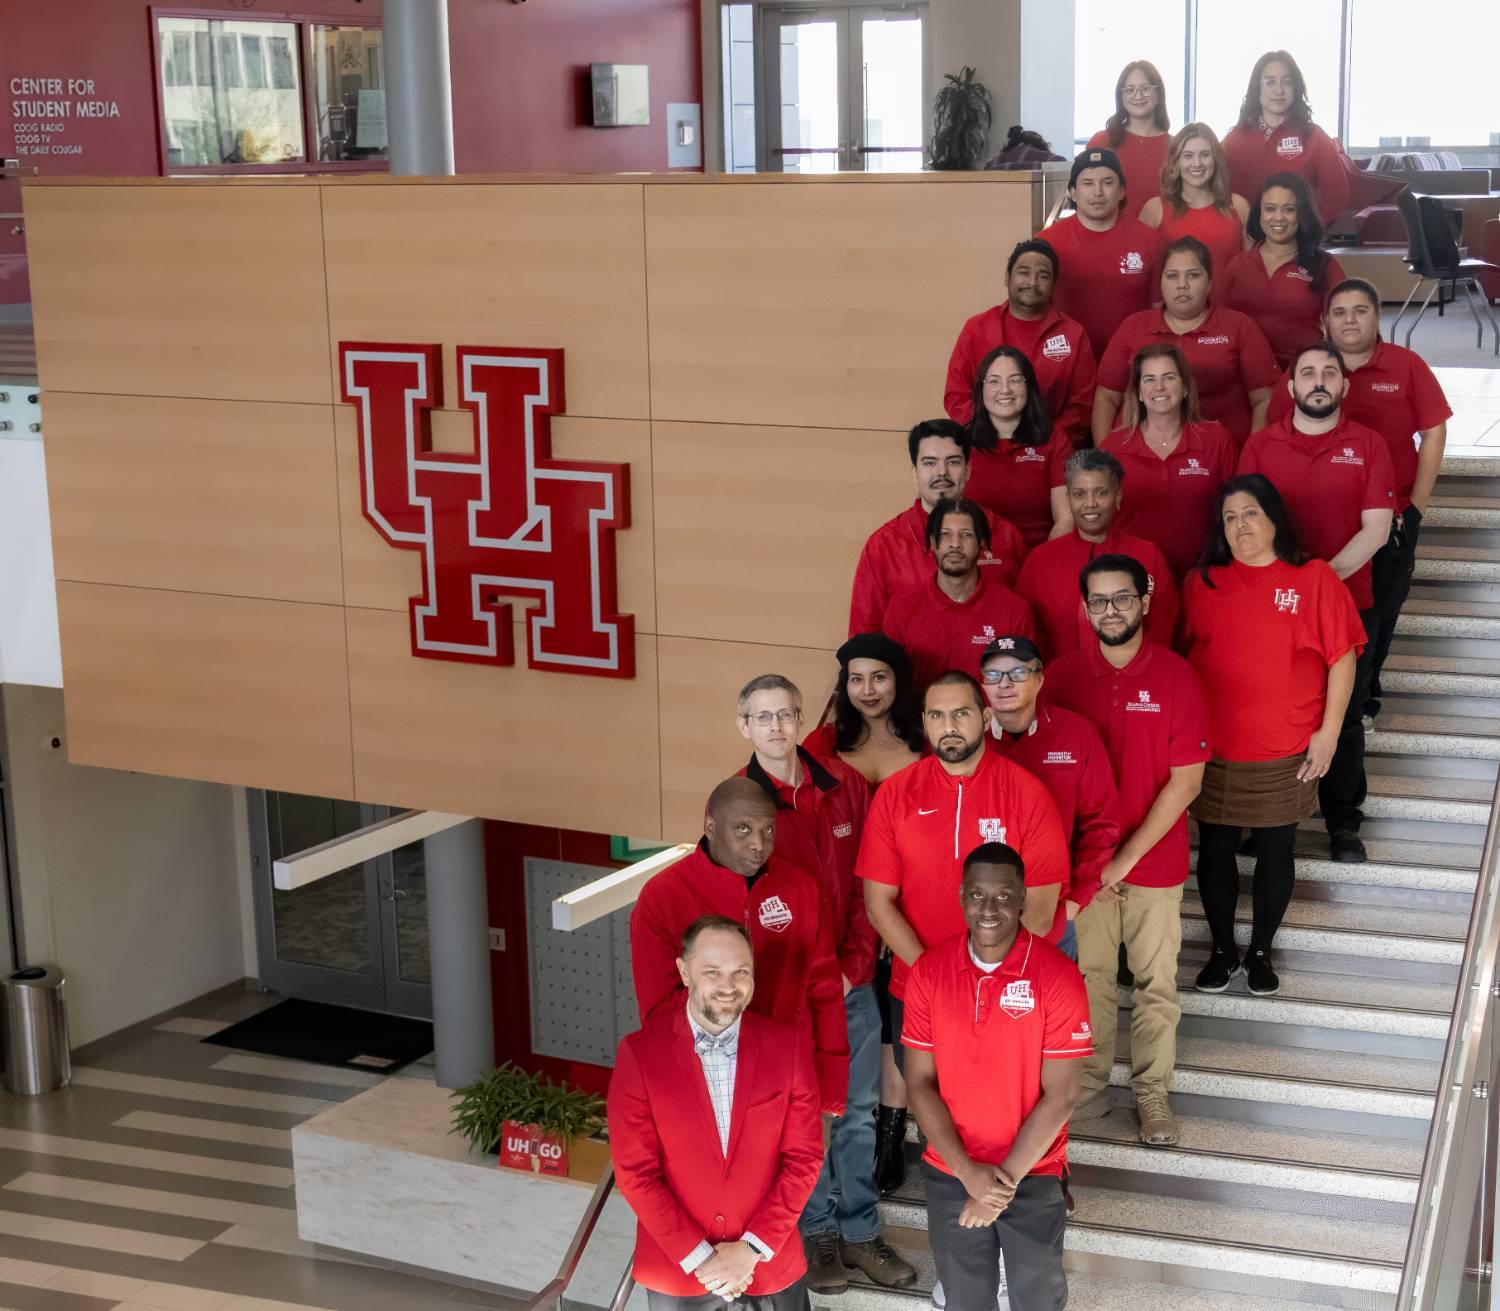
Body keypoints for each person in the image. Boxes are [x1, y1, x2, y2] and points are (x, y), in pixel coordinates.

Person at [731, 675, 915, 1294]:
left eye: (785, 714)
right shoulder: (737, 805)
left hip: (850, 985)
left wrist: (854, 964)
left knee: (860, 1112)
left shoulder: (845, 787)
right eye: (763, 717)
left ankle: (860, 1232)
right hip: (784, 999)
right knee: (806, 1120)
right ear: (744, 726)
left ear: (801, 719)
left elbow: (870, 882)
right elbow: (736, 908)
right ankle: (818, 1233)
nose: (776, 727)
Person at [1044, 555, 1210, 1146]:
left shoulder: (1177, 677)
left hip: (1154, 864)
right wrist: (1093, 867)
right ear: (1084, 608)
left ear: (1144, 602)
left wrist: (1122, 862)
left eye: (1122, 598)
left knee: (1155, 983)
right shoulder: (1060, 678)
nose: (1110, 610)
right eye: (1099, 600)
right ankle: (1089, 1085)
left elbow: (1185, 784)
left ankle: (1152, 1092)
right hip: (1083, 867)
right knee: (1089, 979)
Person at [1181, 478, 1364, 997]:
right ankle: (1222, 950)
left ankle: (1260, 951)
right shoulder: (1201, 582)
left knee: (1277, 847)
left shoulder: (1314, 577)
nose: (1240, 524)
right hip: (1215, 749)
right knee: (1215, 847)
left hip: (1287, 748)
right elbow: (1183, 657)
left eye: (1250, 513)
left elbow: (1343, 657)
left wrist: (1329, 734)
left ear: (1274, 518)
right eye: (1229, 517)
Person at [902, 846, 1091, 1311]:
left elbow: (1063, 1094)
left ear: (1024, 898)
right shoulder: (929, 973)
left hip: (1033, 1170)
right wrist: (970, 1176)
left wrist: (997, 1188)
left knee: (1037, 1300)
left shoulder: (1058, 976)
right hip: (952, 1170)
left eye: (1004, 896)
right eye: (977, 895)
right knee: (965, 1300)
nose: (989, 908)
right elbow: (919, 1084)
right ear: (961, 896)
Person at [609, 916, 824, 1311]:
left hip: (769, 1266)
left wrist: (751, 1249)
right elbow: (635, 1173)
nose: (729, 985)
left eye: (741, 971)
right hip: (680, 1273)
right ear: (684, 972)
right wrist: (704, 1260)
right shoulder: (639, 1055)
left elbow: (804, 1159)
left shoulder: (789, 1048)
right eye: (713, 971)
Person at [1267, 278, 1451, 725]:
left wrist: (1417, 504)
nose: (1349, 320)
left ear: (1377, 317)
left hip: (1390, 516)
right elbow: (1275, 432)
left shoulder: (1406, 365)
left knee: (1381, 610)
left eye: (1360, 310)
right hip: (1322, 515)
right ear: (1324, 323)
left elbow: (1434, 432)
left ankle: (1366, 690)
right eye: (1340, 312)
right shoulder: (1308, 371)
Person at [1238, 342, 1394, 862]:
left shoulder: (1369, 444)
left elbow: (1376, 530)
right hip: (1270, 605)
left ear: (1345, 385)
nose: (1319, 380)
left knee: (1343, 716)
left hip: (1350, 601)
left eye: (1329, 372)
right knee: (1268, 709)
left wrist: (1318, 582)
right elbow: (1245, 524)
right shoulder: (1260, 446)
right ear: (1291, 387)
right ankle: (1260, 818)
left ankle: (1343, 824)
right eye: (1308, 373)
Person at [861, 672, 1071, 1049]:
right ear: (924, 722)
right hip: (919, 986)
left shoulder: (1028, 794)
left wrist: (983, 979)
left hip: (1005, 991)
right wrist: (938, 979)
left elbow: (1039, 913)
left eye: (961, 714)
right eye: (937, 716)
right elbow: (879, 904)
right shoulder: (894, 794)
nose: (949, 727)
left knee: (1000, 1088)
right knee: (921, 1085)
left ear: (986, 719)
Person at [630, 777, 849, 1111]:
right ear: (711, 828)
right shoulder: (662, 896)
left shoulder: (801, 888)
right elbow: (657, 1014)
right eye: (743, 829)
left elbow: (826, 993)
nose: (759, 844)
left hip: (789, 1081)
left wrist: (829, 1099)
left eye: (768, 830)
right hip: (702, 1086)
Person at [980, 635, 1122, 963]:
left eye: (1018, 673)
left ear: (1040, 679)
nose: (1004, 684)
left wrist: (1074, 902)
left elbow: (1102, 824)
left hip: (1053, 912)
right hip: (979, 912)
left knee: (1052, 996)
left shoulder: (1076, 734)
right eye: (993, 675)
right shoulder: (969, 739)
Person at [1093, 235, 1278, 449]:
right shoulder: (1133, 326)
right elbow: (1107, 397)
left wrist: (1252, 456)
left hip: (1222, 453)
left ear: (1210, 283)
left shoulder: (1240, 327)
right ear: (1160, 282)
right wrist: (1104, 459)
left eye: (1193, 275)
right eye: (1172, 276)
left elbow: (1264, 399)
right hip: (1138, 454)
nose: (1182, 285)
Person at [849, 420, 1027, 635]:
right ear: (915, 472)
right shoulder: (884, 546)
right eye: (930, 463)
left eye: (953, 462)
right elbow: (864, 640)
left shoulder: (1005, 536)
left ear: (968, 470)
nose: (942, 473)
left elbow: (1023, 627)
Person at [1015, 449, 1178, 658]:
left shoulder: (1147, 554)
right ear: (1068, 499)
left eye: (1101, 493)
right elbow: (1026, 636)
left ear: (1118, 496)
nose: (1090, 503)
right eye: (1079, 494)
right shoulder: (1040, 561)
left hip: (1137, 675)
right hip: (1061, 675)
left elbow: (1163, 630)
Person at [1100, 343, 1237, 579]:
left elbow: (1236, 506)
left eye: (1169, 377)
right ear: (1138, 392)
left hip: (1204, 574)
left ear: (1185, 387)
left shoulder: (1217, 440)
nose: (1159, 387)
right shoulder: (1113, 446)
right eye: (1149, 379)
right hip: (1132, 579)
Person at [944, 239, 1096, 445]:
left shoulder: (1074, 334)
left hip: (1051, 449)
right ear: (1007, 277)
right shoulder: (977, 328)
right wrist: (989, 437)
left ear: (1053, 284)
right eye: (1024, 272)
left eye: (1043, 276)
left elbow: (1081, 405)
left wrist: (1048, 443)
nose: (1032, 282)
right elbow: (957, 395)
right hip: (986, 446)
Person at [881, 499, 1037, 692]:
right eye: (945, 535)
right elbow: (892, 687)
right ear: (932, 542)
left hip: (992, 712)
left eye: (966, 535)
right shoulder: (902, 608)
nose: (955, 544)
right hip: (921, 712)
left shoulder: (1014, 610)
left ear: (982, 543)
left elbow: (1023, 687)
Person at [1039, 147, 1162, 358]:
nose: (1098, 192)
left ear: (1122, 190)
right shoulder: (1047, 243)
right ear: (1073, 192)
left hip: (1133, 358)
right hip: (1067, 358)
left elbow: (1157, 309)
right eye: (1088, 183)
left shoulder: (1149, 239)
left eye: (1107, 182)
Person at [1221, 173, 1347, 368]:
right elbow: (1219, 325)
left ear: (1302, 214)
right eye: (1270, 209)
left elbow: (1346, 326)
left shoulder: (1324, 265)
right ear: (1259, 212)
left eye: (1289, 209)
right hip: (1245, 374)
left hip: (1303, 373)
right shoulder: (1238, 265)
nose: (1278, 218)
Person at [1223, 50, 1349, 226]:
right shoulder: (1233, 141)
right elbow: (1215, 194)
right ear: (1256, 88)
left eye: (1287, 82)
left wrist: (1308, 230)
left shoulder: (1314, 137)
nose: (1279, 90)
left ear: (1296, 88)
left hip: (1298, 240)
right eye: (1270, 82)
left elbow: (1337, 195)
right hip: (1246, 239)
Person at [963, 348, 1071, 548]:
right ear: (981, 389)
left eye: (1014, 380)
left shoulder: (1054, 439)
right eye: (994, 381)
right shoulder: (961, 442)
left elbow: (1066, 519)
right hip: (978, 560)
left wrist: (1040, 562)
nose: (1005, 390)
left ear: (1028, 386)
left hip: (1039, 554)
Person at [802, 633, 925, 786]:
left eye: (879, 677)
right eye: (856, 679)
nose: (867, 691)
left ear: (898, 681)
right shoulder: (821, 743)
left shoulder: (930, 744)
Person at [1138, 123, 1249, 279]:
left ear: (1216, 159)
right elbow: (1139, 273)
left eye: (1205, 155)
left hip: (1230, 296)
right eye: (1188, 155)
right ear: (1176, 161)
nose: (1197, 164)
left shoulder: (1238, 206)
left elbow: (1251, 271)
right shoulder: (1155, 209)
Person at [1087, 60, 1171, 220]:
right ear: (1121, 96)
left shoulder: (1176, 146)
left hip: (1164, 232)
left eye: (1145, 89)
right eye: (1129, 90)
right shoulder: (1101, 142)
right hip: (1112, 231)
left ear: (1158, 93)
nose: (1138, 96)